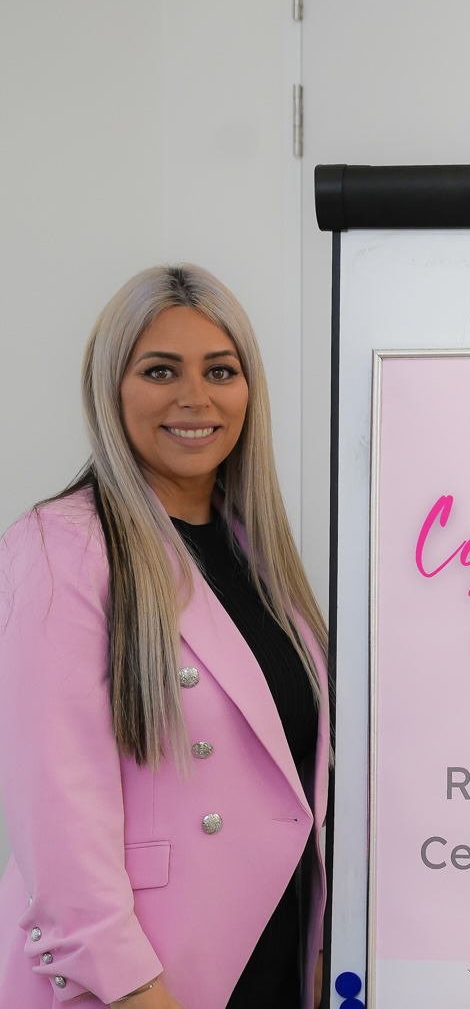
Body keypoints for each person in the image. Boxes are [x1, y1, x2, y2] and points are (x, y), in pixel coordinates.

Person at [0, 265, 329, 1009]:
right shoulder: (61, 548)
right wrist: (137, 995)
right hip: (139, 983)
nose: (195, 397)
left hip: (272, 962)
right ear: (111, 389)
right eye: (160, 370)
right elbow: (58, 825)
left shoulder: (261, 556)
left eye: (221, 369)